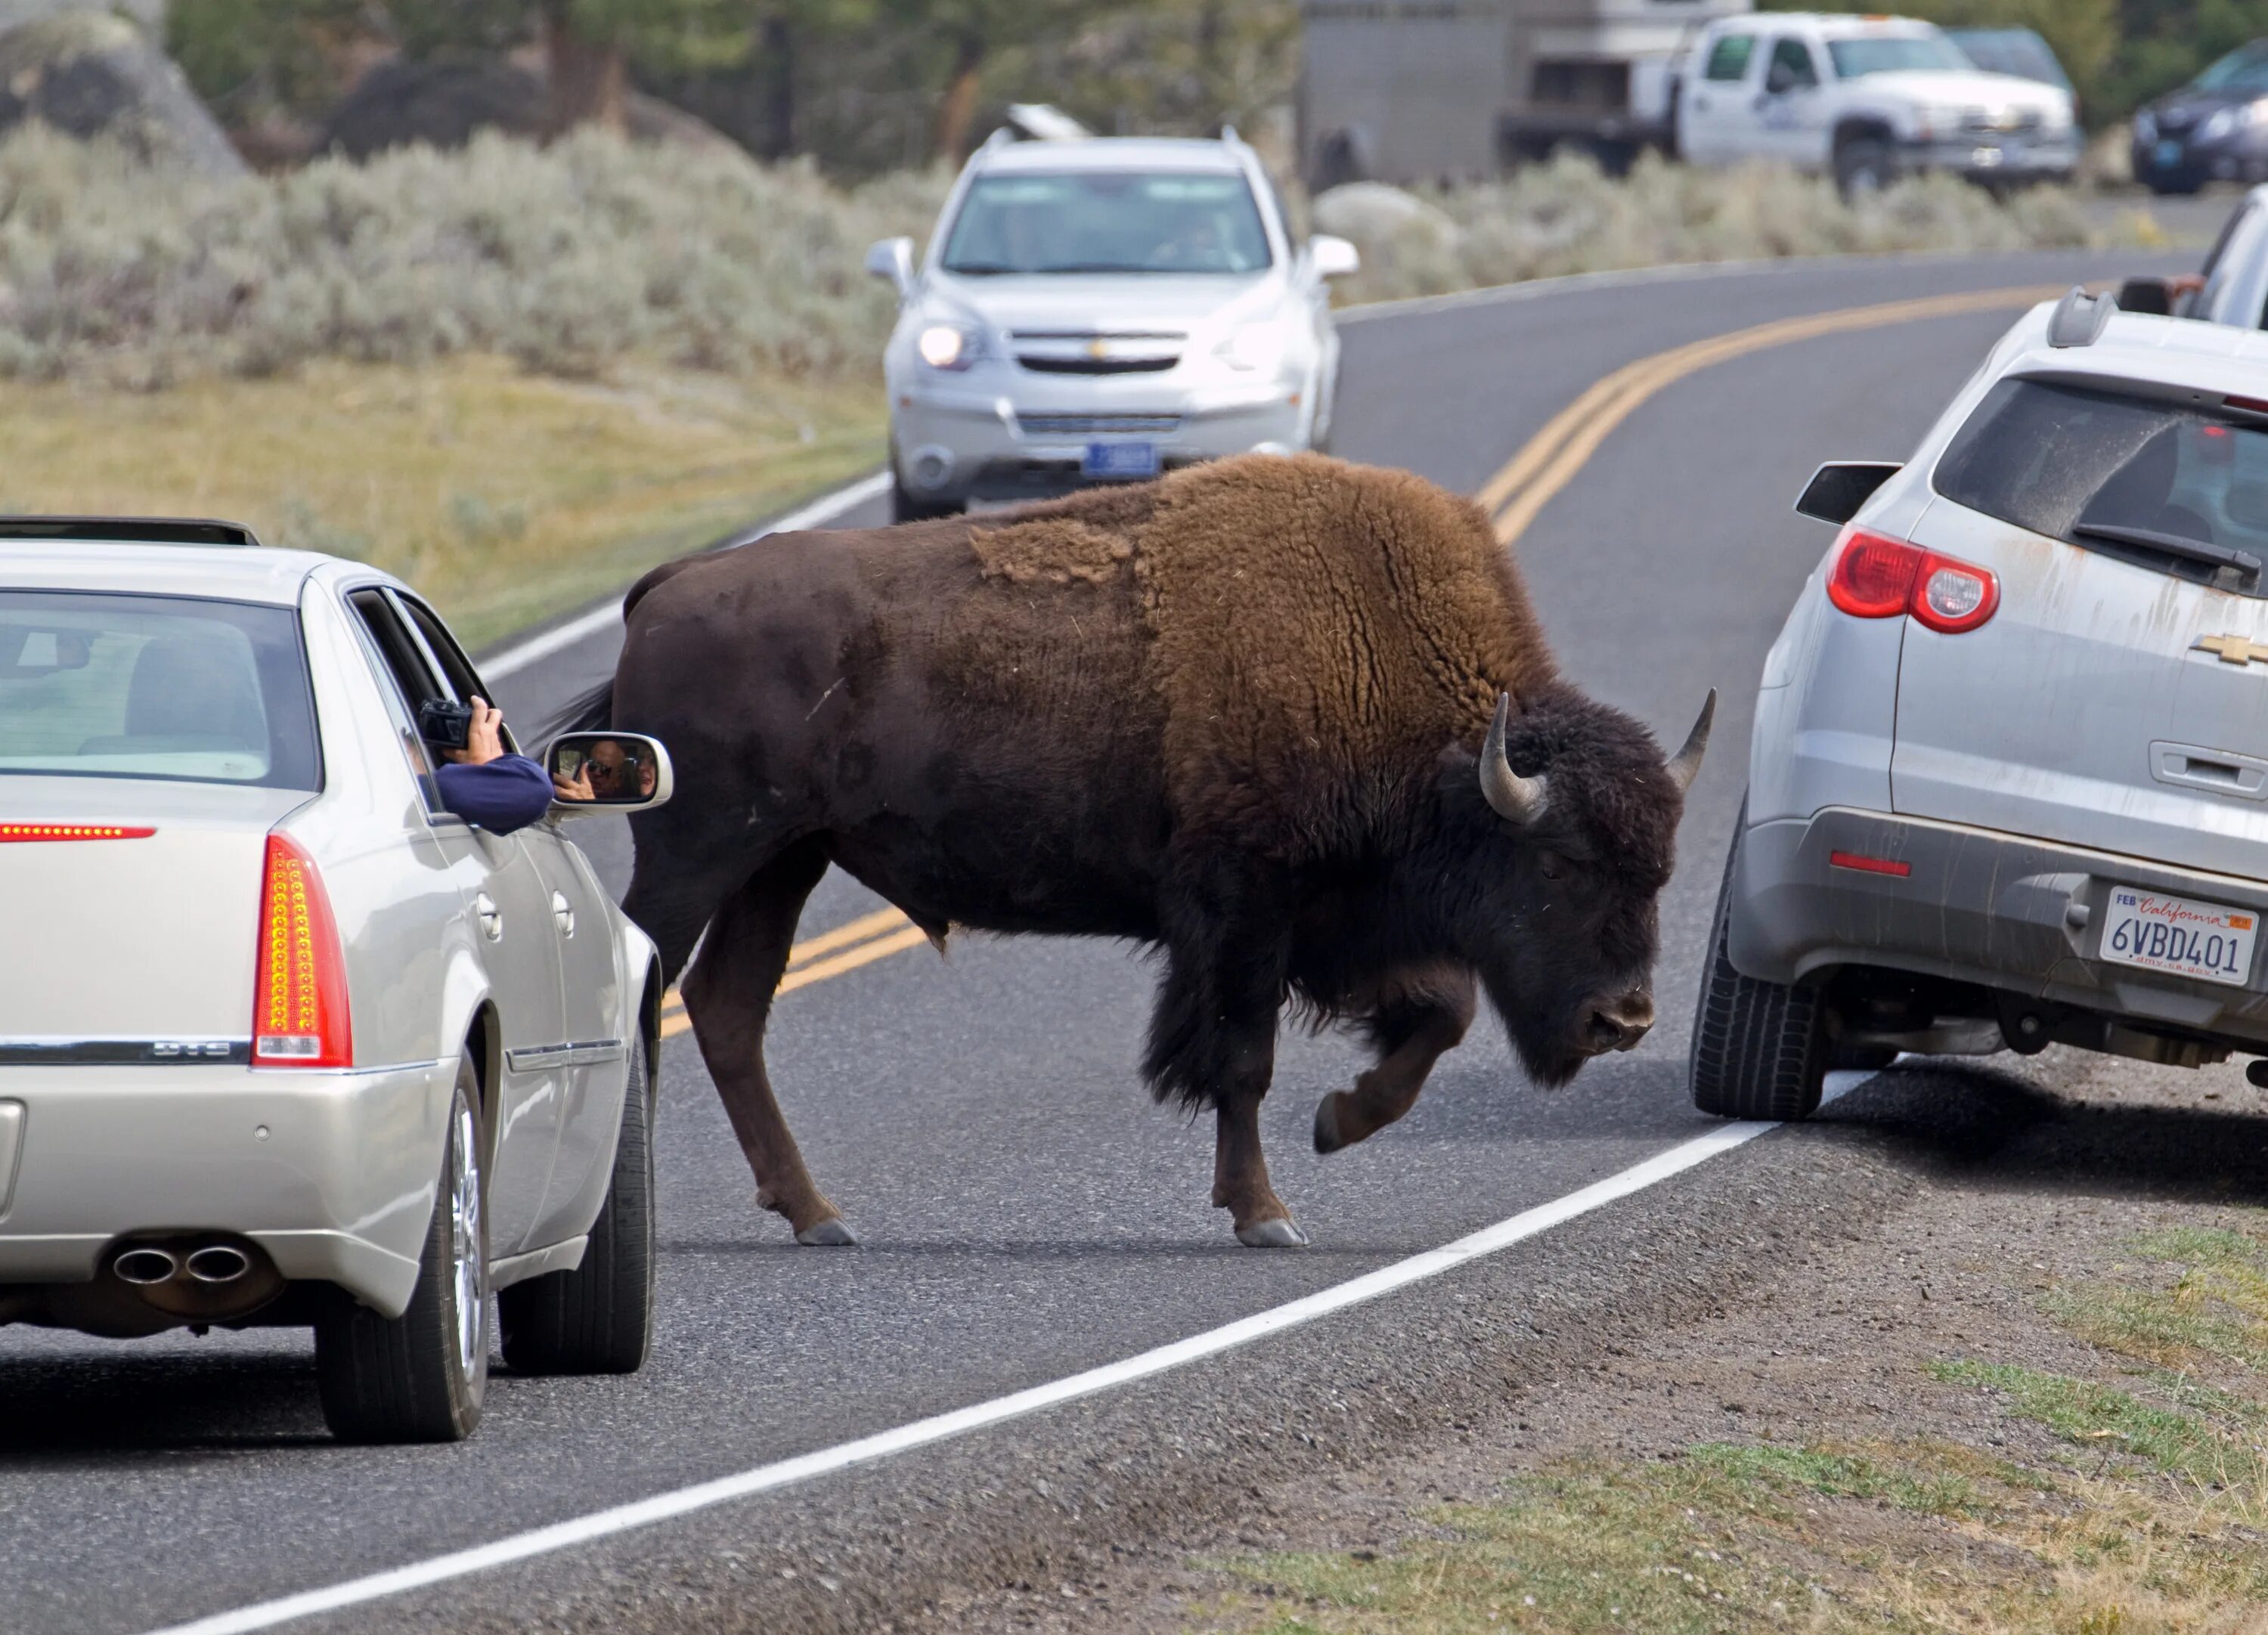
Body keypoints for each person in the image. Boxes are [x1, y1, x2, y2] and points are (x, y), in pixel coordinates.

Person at [434, 695, 555, 836]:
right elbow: (538, 789)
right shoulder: (418, 791)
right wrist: (481, 772)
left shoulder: (420, 790)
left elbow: (538, 791)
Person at [550, 735, 655, 802]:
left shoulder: (626, 807)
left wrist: (587, 803)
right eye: (592, 766)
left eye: (605, 769)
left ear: (618, 780)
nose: (596, 773)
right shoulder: (572, 792)